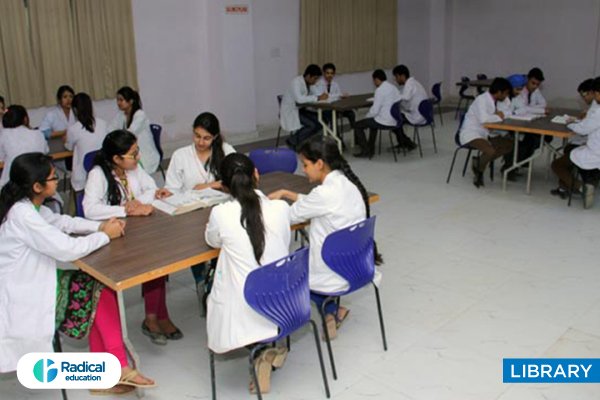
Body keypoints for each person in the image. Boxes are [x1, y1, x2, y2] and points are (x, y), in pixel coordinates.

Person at [269, 136, 381, 340]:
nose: (303, 170)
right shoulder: (348, 184)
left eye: (305, 164)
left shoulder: (323, 194)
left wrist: (269, 205)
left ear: (320, 164)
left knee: (285, 272)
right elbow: (315, 203)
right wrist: (288, 193)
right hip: (356, 267)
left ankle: (279, 336)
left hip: (332, 272)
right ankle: (333, 312)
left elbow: (289, 216)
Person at [83, 130, 181, 345]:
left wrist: (136, 204)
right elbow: (90, 209)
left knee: (157, 261)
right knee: (149, 263)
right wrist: (124, 210)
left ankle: (157, 317)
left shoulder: (134, 168)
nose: (138, 158)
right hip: (115, 235)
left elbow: (151, 190)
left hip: (140, 227)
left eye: (137, 152)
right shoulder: (98, 175)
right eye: (133, 154)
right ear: (116, 159)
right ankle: (155, 318)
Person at [206, 153, 291, 394]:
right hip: (284, 304)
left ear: (223, 186)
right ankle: (265, 351)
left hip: (245, 310)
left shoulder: (221, 213)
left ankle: (260, 351)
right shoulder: (281, 208)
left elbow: (212, 240)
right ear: (256, 174)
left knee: (220, 278)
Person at [164, 112, 235, 313]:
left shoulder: (226, 151)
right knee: (194, 247)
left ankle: (214, 285)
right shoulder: (181, 155)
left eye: (206, 138)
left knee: (219, 251)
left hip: (221, 211)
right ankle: (201, 281)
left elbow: (237, 179)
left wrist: (209, 185)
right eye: (196, 136)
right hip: (191, 214)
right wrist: (167, 193)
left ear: (215, 137)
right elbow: (173, 187)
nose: (200, 142)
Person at [552, 77, 600, 207]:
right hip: (595, 148)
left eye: (595, 93)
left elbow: (584, 129)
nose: (595, 97)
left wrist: (570, 123)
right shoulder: (596, 109)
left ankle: (581, 187)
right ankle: (567, 186)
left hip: (595, 152)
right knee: (570, 149)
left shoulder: (598, 111)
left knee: (557, 165)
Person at [459, 77, 514, 188]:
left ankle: (479, 162)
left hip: (485, 132)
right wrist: (498, 116)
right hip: (472, 132)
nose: (506, 96)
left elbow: (507, 113)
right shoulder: (482, 100)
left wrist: (498, 115)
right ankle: (479, 171)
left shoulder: (495, 101)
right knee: (490, 151)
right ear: (499, 92)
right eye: (505, 94)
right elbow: (484, 119)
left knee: (509, 145)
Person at [109, 86, 160, 174]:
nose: (118, 103)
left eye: (121, 100)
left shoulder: (140, 115)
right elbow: (110, 129)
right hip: (131, 152)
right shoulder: (121, 115)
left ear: (131, 101)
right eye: (117, 100)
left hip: (145, 154)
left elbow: (130, 134)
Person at [64, 92, 108, 192]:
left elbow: (69, 147)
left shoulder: (74, 129)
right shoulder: (103, 123)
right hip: (104, 171)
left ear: (74, 109)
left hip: (84, 177)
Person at [353, 69, 401, 158]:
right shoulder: (393, 87)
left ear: (376, 79)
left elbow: (374, 111)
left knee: (357, 125)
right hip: (395, 120)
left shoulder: (380, 90)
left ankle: (366, 151)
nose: (374, 83)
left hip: (384, 121)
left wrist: (366, 117)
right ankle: (370, 148)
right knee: (372, 122)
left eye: (374, 81)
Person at [280, 64, 328, 148]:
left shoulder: (309, 83)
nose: (316, 81)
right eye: (315, 78)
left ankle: (305, 141)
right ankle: (292, 141)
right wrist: (317, 98)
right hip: (291, 111)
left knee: (321, 121)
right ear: (309, 76)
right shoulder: (296, 82)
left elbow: (316, 95)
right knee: (311, 125)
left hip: (301, 109)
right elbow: (300, 99)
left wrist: (320, 96)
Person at [0, 105, 49, 188]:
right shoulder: (38, 134)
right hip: (36, 181)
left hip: (11, 184)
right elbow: (45, 151)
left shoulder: (3, 135)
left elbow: (1, 158)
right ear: (25, 119)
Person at [311, 62, 355, 129]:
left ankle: (355, 134)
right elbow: (324, 98)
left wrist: (338, 96)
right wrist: (337, 96)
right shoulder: (318, 84)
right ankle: (336, 136)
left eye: (331, 73)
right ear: (323, 73)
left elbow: (338, 98)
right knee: (331, 115)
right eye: (327, 73)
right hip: (324, 110)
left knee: (351, 113)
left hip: (334, 108)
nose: (329, 75)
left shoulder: (335, 84)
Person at [392, 64, 426, 150]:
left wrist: (394, 98)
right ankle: (404, 142)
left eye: (396, 77)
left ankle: (407, 143)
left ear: (402, 76)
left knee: (393, 120)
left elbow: (405, 98)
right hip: (424, 114)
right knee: (397, 118)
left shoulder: (409, 84)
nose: (395, 80)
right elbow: (405, 96)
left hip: (417, 116)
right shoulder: (414, 82)